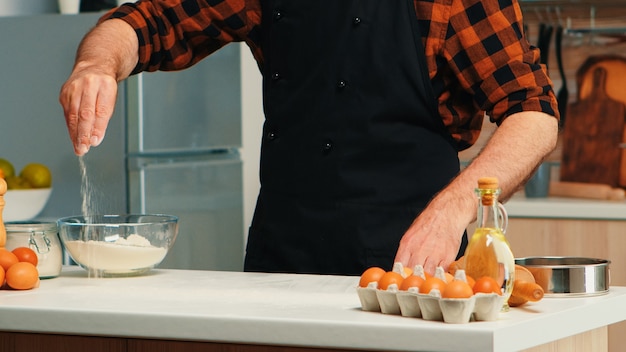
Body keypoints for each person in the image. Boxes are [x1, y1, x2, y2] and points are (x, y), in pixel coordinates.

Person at [59, 0, 559, 276]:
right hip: (282, 263)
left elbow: (533, 112)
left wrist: (452, 211)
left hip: (410, 272)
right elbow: (149, 22)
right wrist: (97, 64)